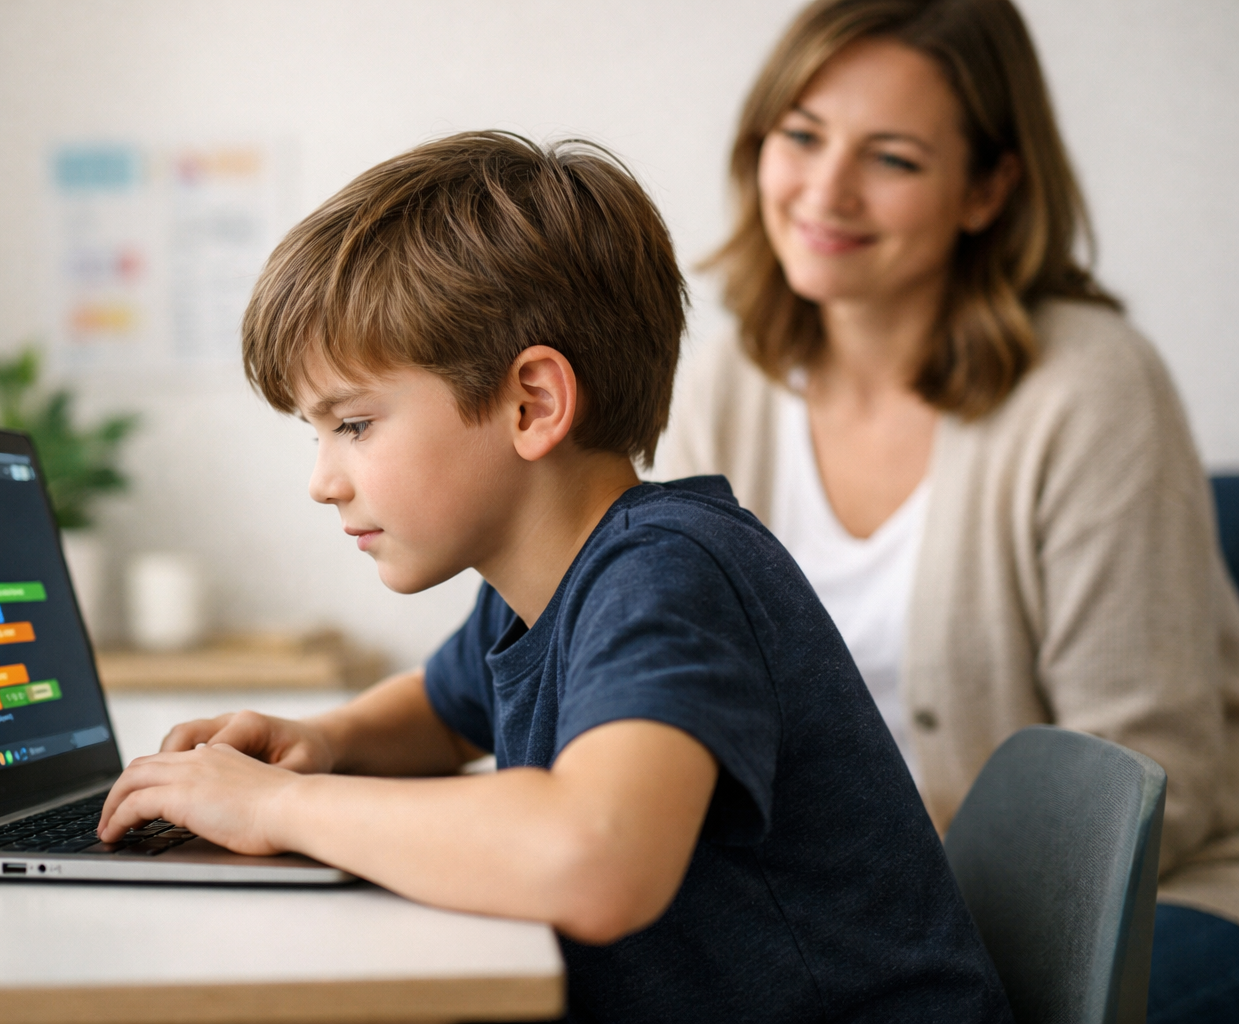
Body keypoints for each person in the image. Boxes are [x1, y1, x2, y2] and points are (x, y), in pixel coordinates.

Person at [95, 131, 1012, 1022]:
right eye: (317, 432)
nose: (322, 480)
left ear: (531, 403)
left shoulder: (667, 574)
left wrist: (283, 807)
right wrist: (321, 742)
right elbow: (443, 708)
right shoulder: (539, 581)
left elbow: (595, 855)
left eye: (356, 425)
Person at [655, 1, 1239, 1019]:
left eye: (893, 158)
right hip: (829, 907)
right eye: (800, 135)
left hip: (1109, 907)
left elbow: (1159, 782)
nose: (824, 190)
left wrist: (831, 853)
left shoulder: (1093, 390)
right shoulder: (726, 384)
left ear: (988, 189)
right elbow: (672, 674)